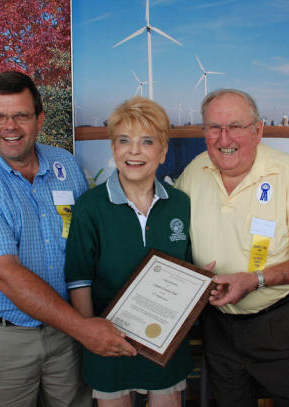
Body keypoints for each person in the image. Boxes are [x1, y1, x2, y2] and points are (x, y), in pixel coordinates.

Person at [0, 71, 136, 407]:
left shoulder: (66, 165)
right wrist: (84, 329)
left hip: (67, 337)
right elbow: (6, 274)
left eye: (21, 115)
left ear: (39, 119)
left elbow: (90, 244)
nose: (10, 127)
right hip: (3, 340)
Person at [176, 89, 289, 407]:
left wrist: (255, 280)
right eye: (214, 127)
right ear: (204, 131)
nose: (224, 139)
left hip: (284, 324)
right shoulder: (195, 172)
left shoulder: (288, 175)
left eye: (235, 126)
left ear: (258, 130)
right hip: (220, 327)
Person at [65, 96, 193, 407]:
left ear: (162, 152)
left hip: (166, 346)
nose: (134, 151)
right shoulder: (90, 206)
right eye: (124, 140)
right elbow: (79, 278)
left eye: (146, 141)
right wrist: (91, 337)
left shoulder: (181, 204)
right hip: (109, 344)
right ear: (113, 149)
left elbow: (188, 270)